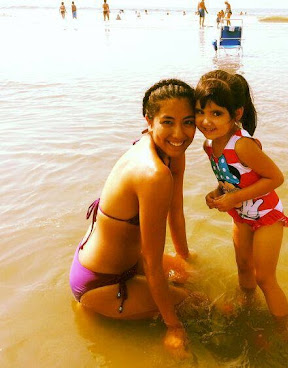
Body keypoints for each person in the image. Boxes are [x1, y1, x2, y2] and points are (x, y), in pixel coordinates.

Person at [69, 79, 197, 356]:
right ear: (149, 121)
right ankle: (95, 308)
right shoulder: (153, 175)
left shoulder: (169, 149)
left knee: (188, 275)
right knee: (198, 305)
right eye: (168, 122)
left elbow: (176, 211)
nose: (179, 133)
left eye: (188, 122)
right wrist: (174, 327)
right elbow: (152, 263)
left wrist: (184, 258)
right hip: (102, 282)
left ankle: (109, 307)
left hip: (118, 261)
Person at [194, 70, 288, 328]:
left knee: (264, 278)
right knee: (243, 267)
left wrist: (234, 197)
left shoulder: (242, 145)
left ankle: (285, 329)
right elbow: (230, 176)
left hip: (266, 215)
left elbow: (275, 178)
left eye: (216, 113)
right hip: (241, 215)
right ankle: (248, 309)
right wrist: (218, 192)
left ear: (236, 114)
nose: (206, 121)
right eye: (200, 111)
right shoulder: (209, 145)